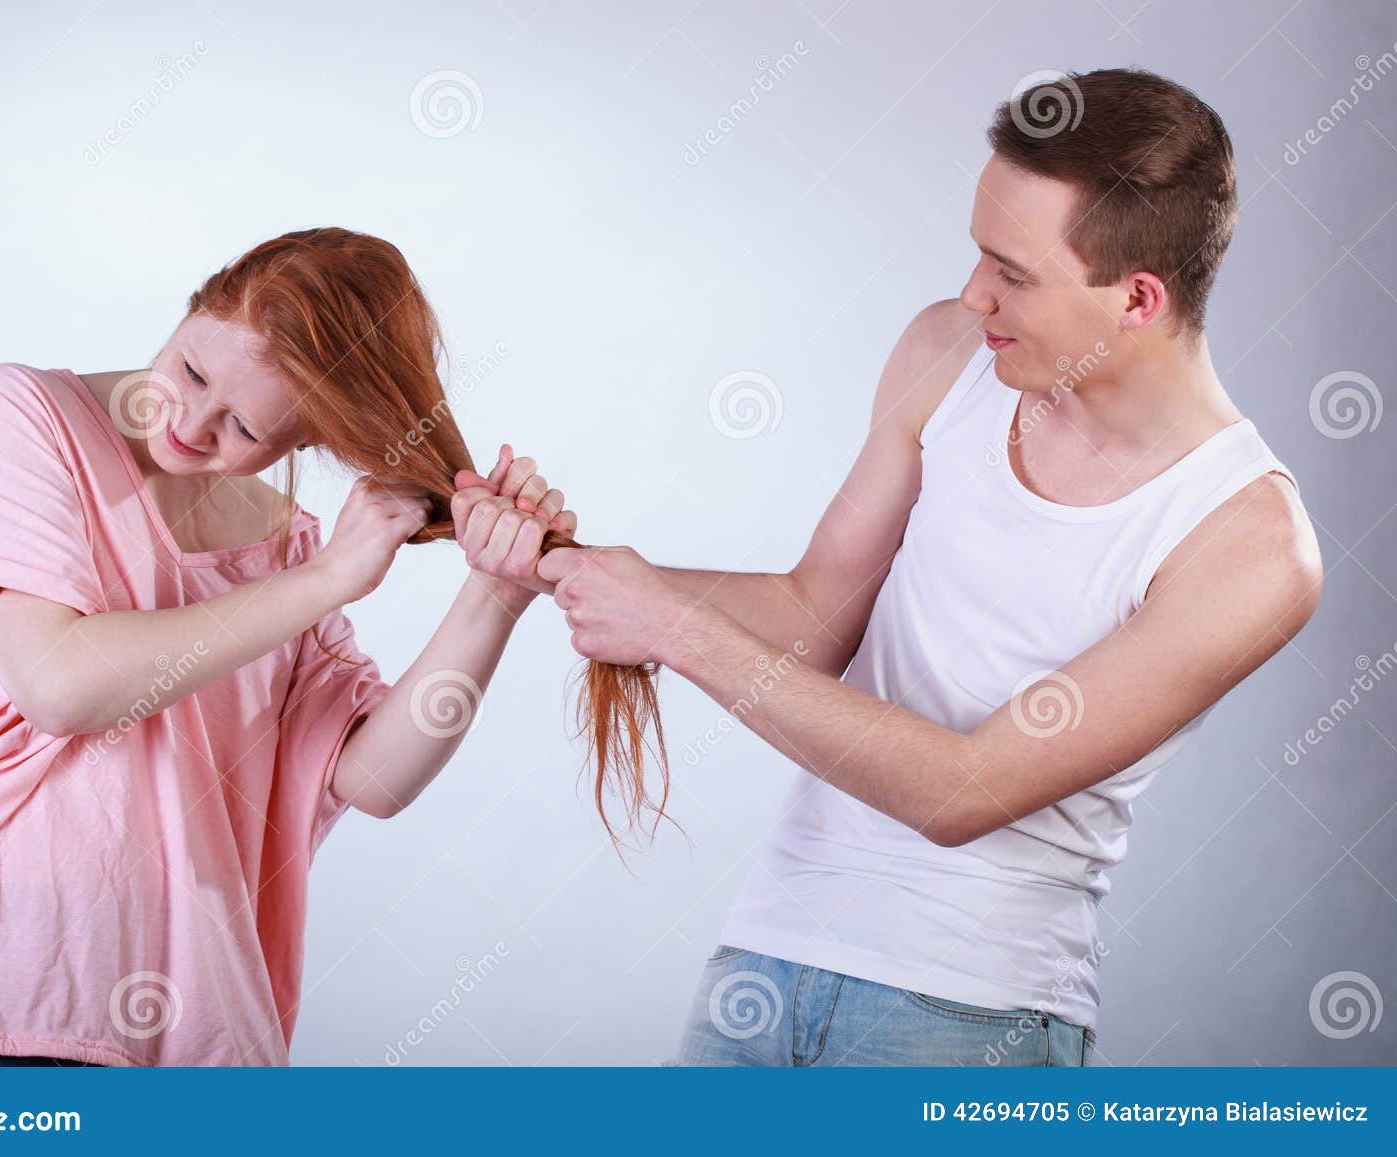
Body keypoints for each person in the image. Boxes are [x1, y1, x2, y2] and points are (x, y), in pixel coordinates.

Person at [538, 68, 1323, 1066]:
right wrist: (572, 567)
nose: (970, 294)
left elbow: (962, 789)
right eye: (974, 253)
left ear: (1135, 298)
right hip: (766, 961)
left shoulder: (1248, 541)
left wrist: (673, 629)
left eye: (1013, 272)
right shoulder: (948, 354)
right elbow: (810, 615)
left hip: (972, 1018)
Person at [0, 228, 561, 1066]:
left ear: (307, 440)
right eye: (193, 371)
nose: (191, 424)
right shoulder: (22, 415)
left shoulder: (287, 546)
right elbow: (59, 682)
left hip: (195, 1043)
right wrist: (326, 580)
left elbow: (373, 778)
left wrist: (497, 591)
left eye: (245, 425)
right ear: (195, 306)